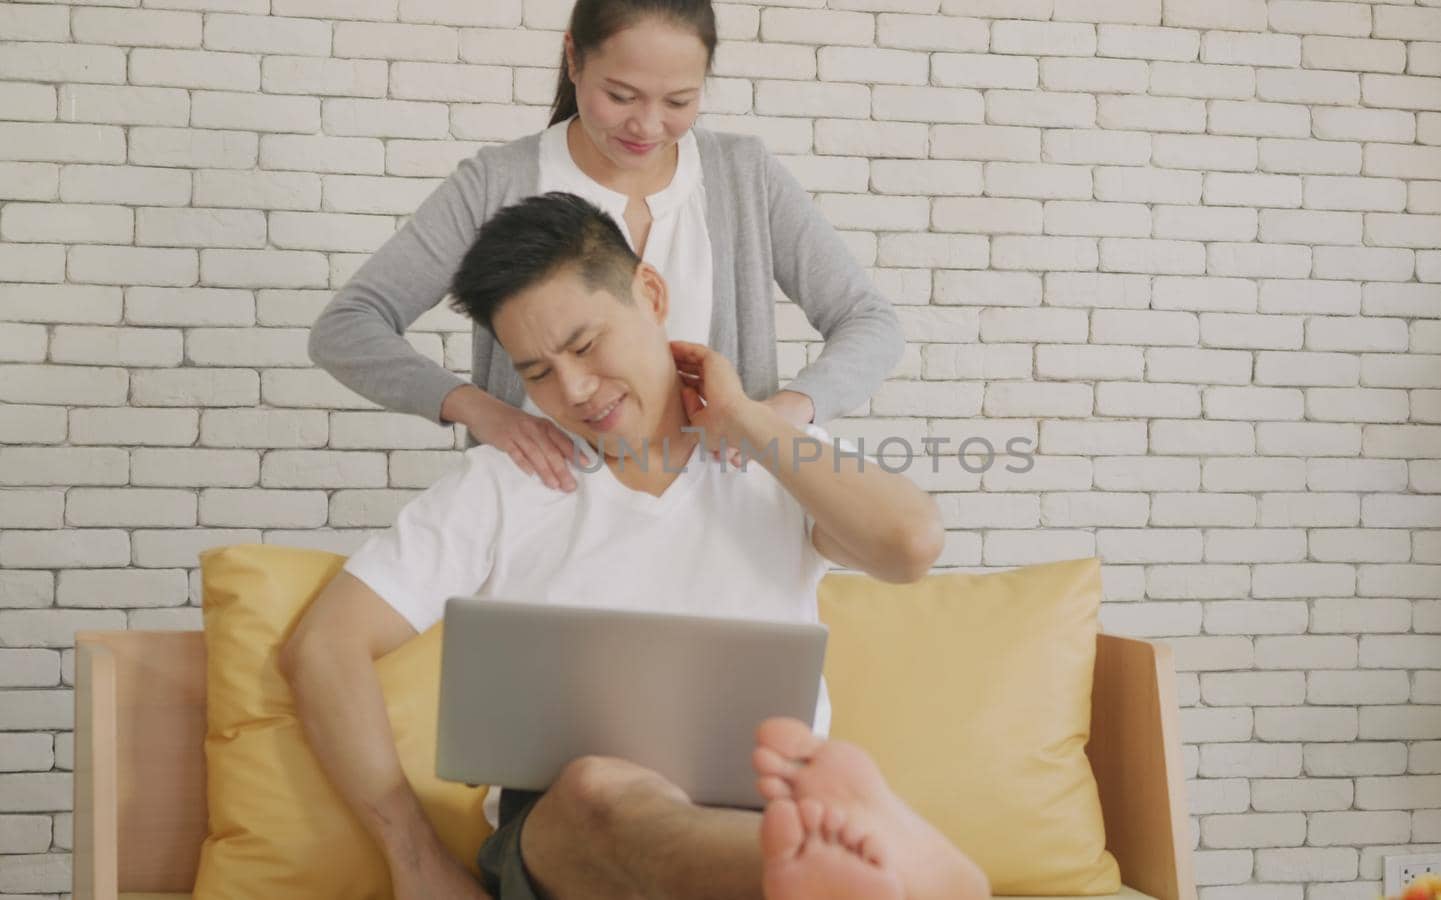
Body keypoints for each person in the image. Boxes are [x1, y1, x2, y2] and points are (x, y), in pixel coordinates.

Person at [280, 192, 986, 900]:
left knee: (744, 814)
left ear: (650, 294)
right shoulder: (501, 484)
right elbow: (325, 646)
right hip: (574, 833)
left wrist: (744, 417)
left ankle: (826, 860)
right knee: (598, 788)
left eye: (586, 346)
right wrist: (415, 862)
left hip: (764, 795)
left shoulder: (776, 460)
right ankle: (854, 863)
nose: (576, 390)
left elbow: (911, 545)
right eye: (537, 373)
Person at [308, 0, 903, 490]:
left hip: (723, 513)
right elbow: (348, 327)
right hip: (544, 510)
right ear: (573, 57)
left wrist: (779, 416)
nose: (646, 126)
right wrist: (483, 411)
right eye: (620, 96)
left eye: (678, 102)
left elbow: (869, 322)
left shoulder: (743, 176)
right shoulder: (499, 182)